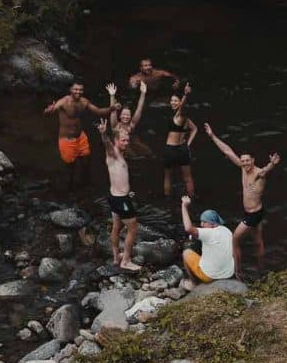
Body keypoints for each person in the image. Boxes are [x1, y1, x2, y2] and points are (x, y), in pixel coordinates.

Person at [204, 122, 279, 275]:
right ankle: (261, 271)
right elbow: (227, 150)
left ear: (253, 160)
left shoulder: (258, 173)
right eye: (243, 160)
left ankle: (238, 273)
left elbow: (265, 171)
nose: (245, 163)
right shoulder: (243, 169)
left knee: (235, 240)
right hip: (255, 211)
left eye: (247, 160)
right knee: (258, 242)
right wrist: (212, 136)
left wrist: (272, 164)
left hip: (253, 215)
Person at [101, 82, 151, 272]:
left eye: (127, 139)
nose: (126, 141)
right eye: (124, 140)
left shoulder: (122, 145)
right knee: (132, 228)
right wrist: (103, 134)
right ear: (117, 139)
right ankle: (126, 260)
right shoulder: (113, 151)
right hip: (121, 198)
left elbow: (137, 112)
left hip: (114, 196)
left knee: (116, 226)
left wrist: (143, 94)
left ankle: (115, 257)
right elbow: (107, 143)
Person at [43, 81, 108, 194]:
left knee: (86, 161)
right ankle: (69, 191)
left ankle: (85, 186)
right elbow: (51, 110)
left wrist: (112, 108)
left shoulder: (84, 101)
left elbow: (98, 111)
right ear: (71, 90)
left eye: (80, 90)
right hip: (67, 138)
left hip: (80, 136)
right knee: (70, 168)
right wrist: (49, 110)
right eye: (75, 89)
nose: (78, 92)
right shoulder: (64, 101)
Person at [179, 195, 236, 288]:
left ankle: (194, 284)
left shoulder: (208, 233)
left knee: (186, 253)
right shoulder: (227, 231)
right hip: (228, 275)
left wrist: (184, 206)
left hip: (210, 277)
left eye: (204, 222)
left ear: (213, 223)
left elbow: (188, 228)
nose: (201, 224)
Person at [160, 86, 198, 198]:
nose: (173, 103)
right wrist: (188, 143)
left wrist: (186, 95)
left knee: (167, 177)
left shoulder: (179, 115)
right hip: (182, 149)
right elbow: (195, 129)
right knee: (188, 177)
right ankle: (192, 198)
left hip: (171, 149)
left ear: (180, 102)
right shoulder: (185, 119)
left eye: (175, 101)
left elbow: (182, 106)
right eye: (171, 100)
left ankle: (167, 199)